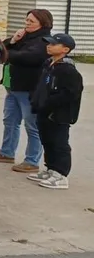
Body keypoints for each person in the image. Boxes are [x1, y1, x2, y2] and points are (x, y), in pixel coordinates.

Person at [0, 9, 53, 173]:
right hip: (12, 87)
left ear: (42, 23)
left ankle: (32, 160)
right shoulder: (23, 36)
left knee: (32, 126)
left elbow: (28, 57)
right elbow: (4, 46)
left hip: (29, 89)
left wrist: (8, 53)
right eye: (26, 20)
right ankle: (6, 152)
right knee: (10, 122)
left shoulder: (44, 41)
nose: (27, 24)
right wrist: (13, 39)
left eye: (31, 21)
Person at [30, 33, 83, 190]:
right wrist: (36, 101)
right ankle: (51, 168)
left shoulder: (68, 70)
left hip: (58, 114)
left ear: (65, 49)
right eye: (49, 43)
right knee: (47, 140)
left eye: (54, 44)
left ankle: (61, 174)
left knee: (59, 142)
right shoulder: (49, 65)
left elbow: (70, 93)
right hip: (44, 111)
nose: (49, 46)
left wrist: (49, 103)